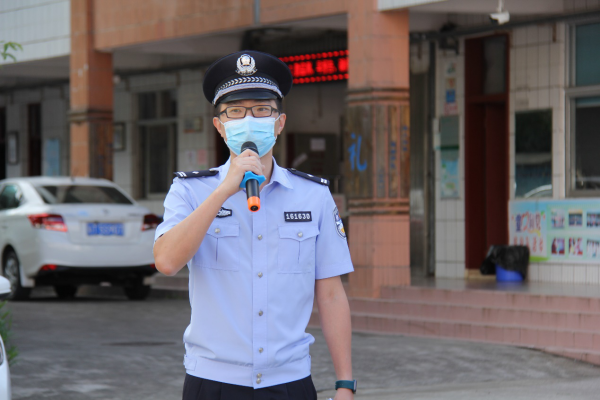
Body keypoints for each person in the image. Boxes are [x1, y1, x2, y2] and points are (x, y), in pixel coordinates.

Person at [153, 50, 357, 400]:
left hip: (290, 380)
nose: (249, 120)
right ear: (219, 126)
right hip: (214, 382)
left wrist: (345, 383)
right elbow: (167, 261)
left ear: (280, 122)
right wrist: (223, 191)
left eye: (262, 109)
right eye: (235, 111)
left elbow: (331, 293)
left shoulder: (313, 195)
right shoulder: (190, 190)